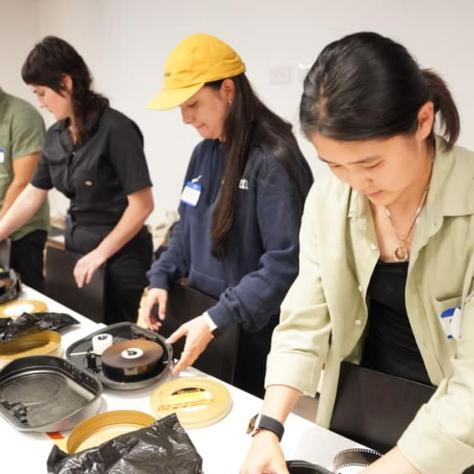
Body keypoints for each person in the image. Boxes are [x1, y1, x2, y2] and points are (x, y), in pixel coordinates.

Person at [241, 31, 474, 474]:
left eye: (370, 163)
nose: (356, 183)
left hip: (454, 428)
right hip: (363, 405)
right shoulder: (330, 200)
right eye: (334, 165)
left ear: (423, 121)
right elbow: (304, 320)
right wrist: (268, 428)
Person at [143, 33, 313, 397]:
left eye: (193, 104)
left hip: (246, 331)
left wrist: (219, 317)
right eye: (181, 108)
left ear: (228, 91)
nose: (186, 118)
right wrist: (159, 277)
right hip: (203, 319)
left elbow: (286, 263)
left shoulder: (272, 159)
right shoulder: (204, 154)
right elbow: (184, 235)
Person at [0, 36, 154, 324]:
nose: (40, 103)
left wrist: (100, 253)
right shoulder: (55, 136)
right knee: (78, 331)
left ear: (66, 83)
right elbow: (33, 193)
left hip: (120, 256)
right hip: (77, 251)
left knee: (115, 341)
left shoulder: (116, 129)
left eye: (42, 93)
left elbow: (142, 205)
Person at [0, 87, 49, 290]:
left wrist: (1, 227)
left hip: (23, 232)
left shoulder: (22, 117)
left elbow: (24, 182)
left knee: (25, 299)